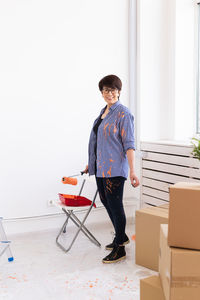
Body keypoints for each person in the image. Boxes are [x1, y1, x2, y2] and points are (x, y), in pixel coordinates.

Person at [84, 74, 139, 263]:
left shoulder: (123, 113)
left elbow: (129, 144)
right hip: (101, 167)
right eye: (106, 90)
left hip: (115, 168)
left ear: (119, 91)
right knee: (105, 200)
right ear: (102, 92)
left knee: (115, 206)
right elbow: (100, 141)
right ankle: (121, 236)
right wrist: (91, 163)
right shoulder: (103, 112)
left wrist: (132, 170)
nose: (110, 93)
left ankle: (119, 248)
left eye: (113, 89)